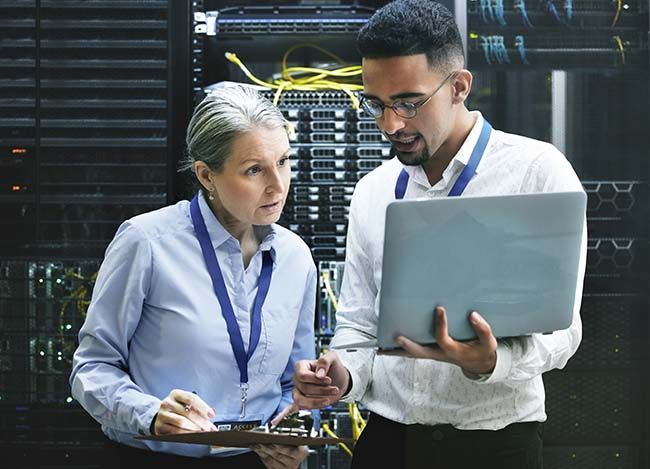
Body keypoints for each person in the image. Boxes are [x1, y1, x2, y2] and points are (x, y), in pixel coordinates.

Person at [286, 1, 587, 468]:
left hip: (495, 445)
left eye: (408, 102)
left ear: (459, 86)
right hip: (389, 443)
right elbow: (359, 325)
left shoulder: (537, 172)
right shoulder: (374, 191)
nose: (391, 125)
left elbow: (565, 330)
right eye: (377, 104)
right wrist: (339, 376)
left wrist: (491, 362)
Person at [70, 84, 314, 469]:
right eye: (255, 169)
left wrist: (293, 434)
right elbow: (91, 367)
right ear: (206, 175)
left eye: (283, 161)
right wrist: (149, 414)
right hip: (153, 460)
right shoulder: (146, 242)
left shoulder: (296, 257)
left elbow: (295, 386)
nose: (278, 184)